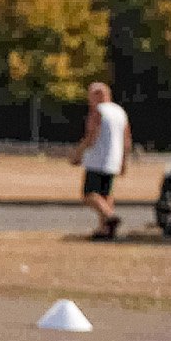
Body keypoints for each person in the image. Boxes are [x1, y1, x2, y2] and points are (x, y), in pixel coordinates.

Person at [71, 82, 132, 239]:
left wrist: (78, 153)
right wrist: (124, 162)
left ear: (97, 95)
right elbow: (127, 140)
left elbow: (91, 137)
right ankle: (105, 230)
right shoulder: (120, 112)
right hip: (114, 159)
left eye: (91, 95)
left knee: (89, 194)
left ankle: (110, 216)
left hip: (97, 159)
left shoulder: (98, 111)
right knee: (106, 195)